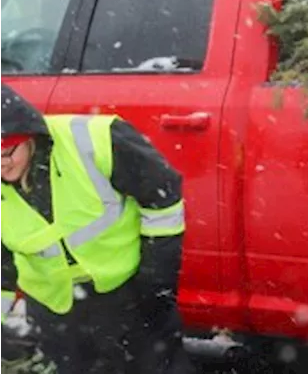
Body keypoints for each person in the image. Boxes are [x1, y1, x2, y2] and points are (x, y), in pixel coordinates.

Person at [0, 83, 193, 373]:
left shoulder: (92, 139)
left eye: (7, 152)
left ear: (29, 136)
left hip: (130, 297)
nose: (1, 165)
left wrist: (155, 284)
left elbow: (161, 195)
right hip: (57, 313)